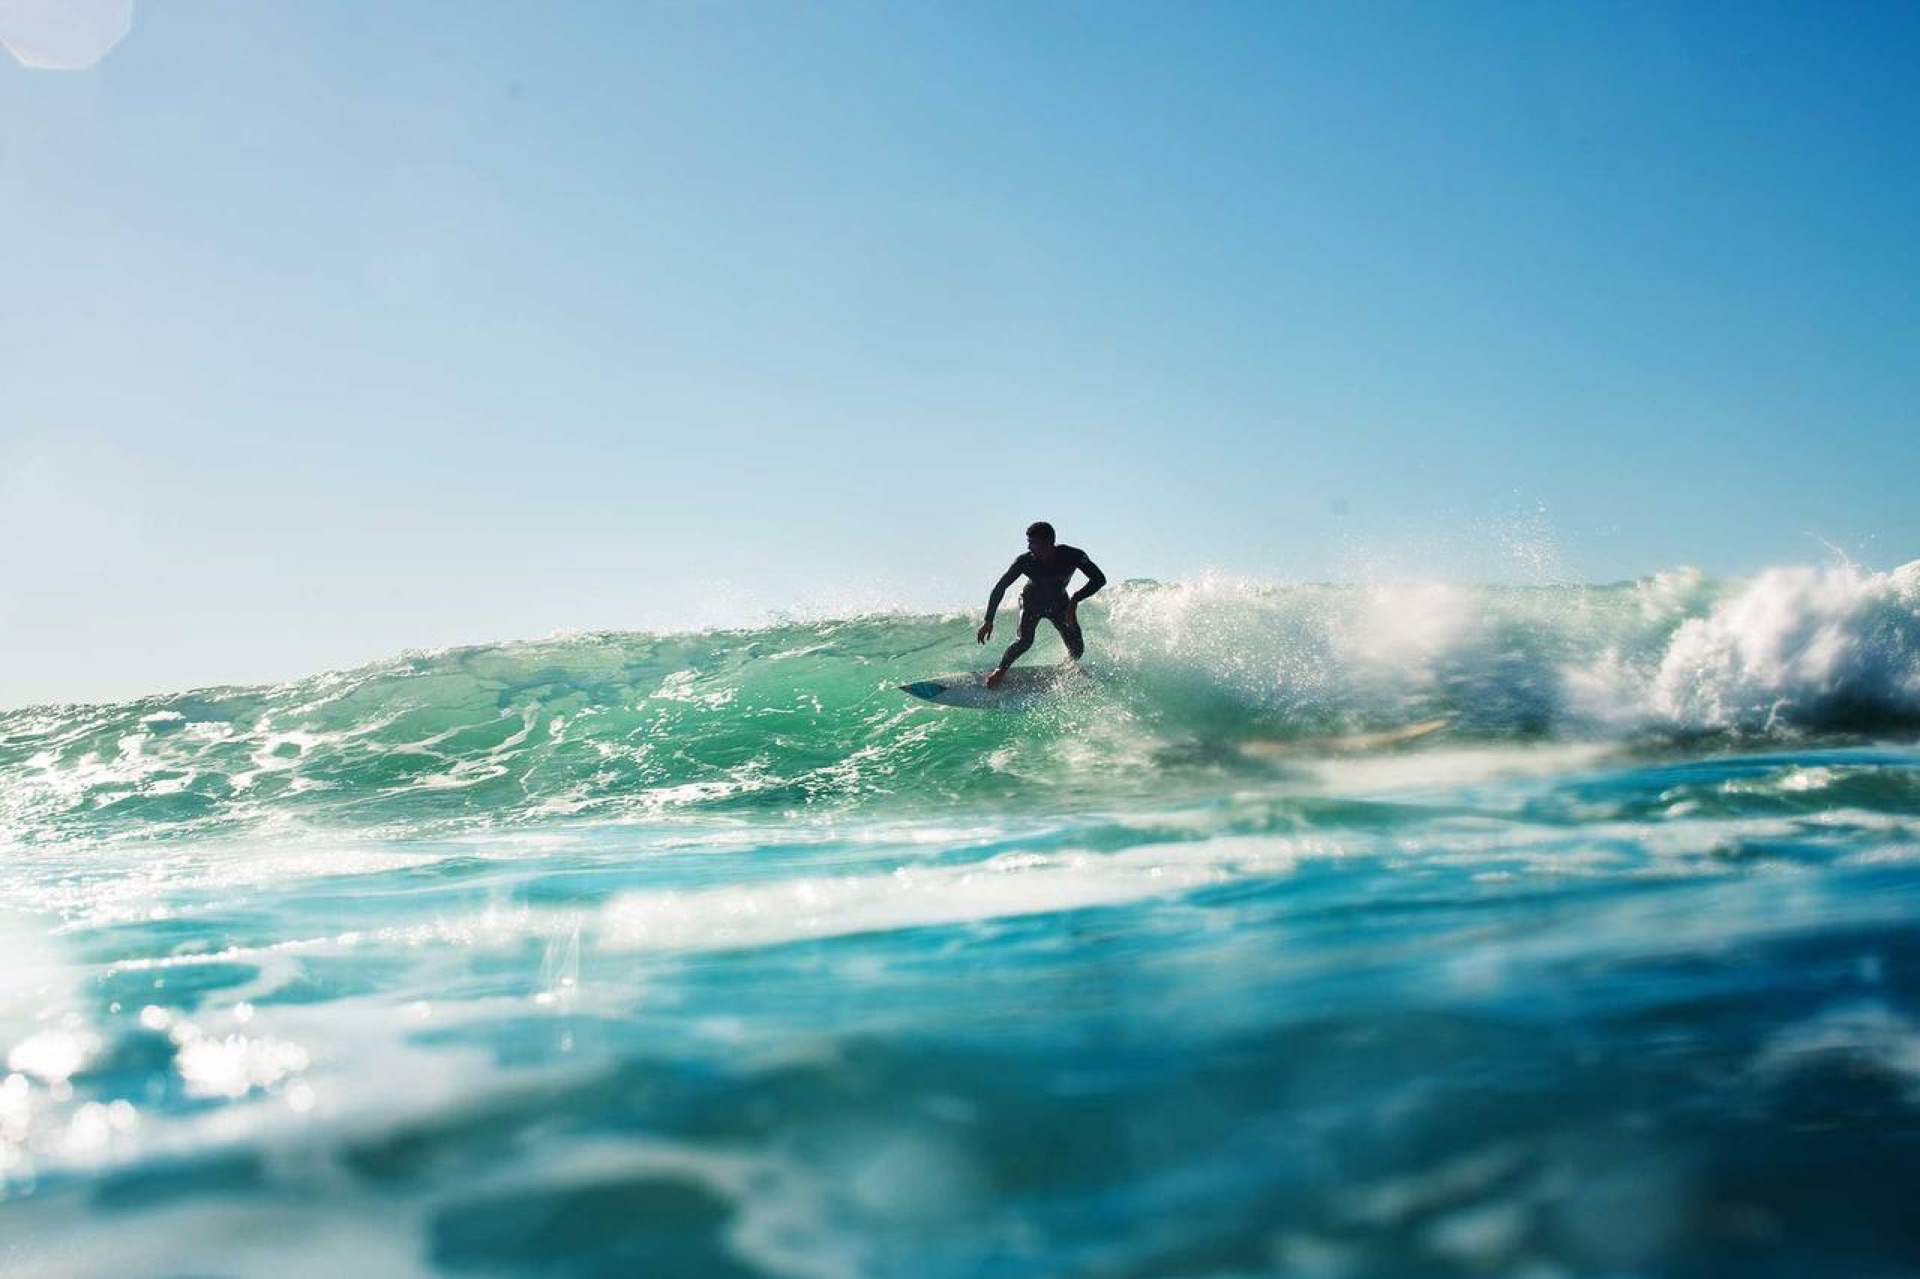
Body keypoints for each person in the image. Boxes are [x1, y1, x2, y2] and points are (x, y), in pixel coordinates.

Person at [976, 522, 1107, 688]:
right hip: (1031, 602)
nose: (1029, 547)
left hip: (1059, 603)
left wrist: (1075, 599)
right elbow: (1000, 587)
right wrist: (988, 620)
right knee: (1024, 641)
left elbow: (1099, 579)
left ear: (1048, 543)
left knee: (1077, 647)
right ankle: (1000, 671)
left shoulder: (1073, 555)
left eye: (1033, 543)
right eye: (1029, 542)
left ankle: (1068, 668)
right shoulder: (1024, 561)